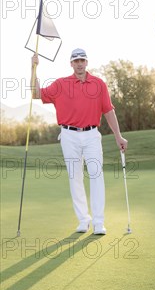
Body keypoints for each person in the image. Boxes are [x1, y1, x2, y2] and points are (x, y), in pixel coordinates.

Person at [31, 48, 128, 235]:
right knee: (75, 177)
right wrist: (34, 68)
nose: (79, 63)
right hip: (69, 135)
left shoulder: (99, 84)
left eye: (82, 60)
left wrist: (118, 136)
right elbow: (36, 94)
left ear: (87, 62)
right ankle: (84, 220)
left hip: (92, 134)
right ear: (71, 64)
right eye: (76, 61)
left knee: (96, 175)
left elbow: (108, 111)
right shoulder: (60, 84)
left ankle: (99, 223)